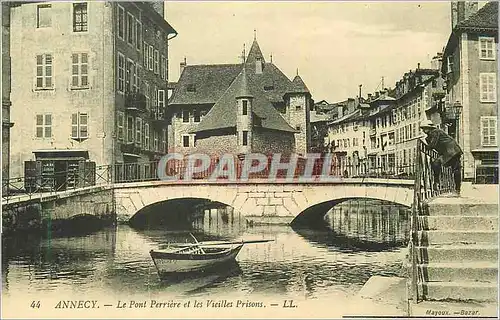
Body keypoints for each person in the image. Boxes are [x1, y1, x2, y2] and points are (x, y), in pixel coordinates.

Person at [419, 120, 463, 196]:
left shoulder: (435, 132)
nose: (423, 130)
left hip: (451, 151)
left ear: (429, 128)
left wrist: (424, 144)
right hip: (451, 151)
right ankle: (440, 183)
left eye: (424, 128)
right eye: (423, 128)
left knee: (453, 168)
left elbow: (433, 144)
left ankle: (442, 184)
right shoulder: (432, 134)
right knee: (441, 164)